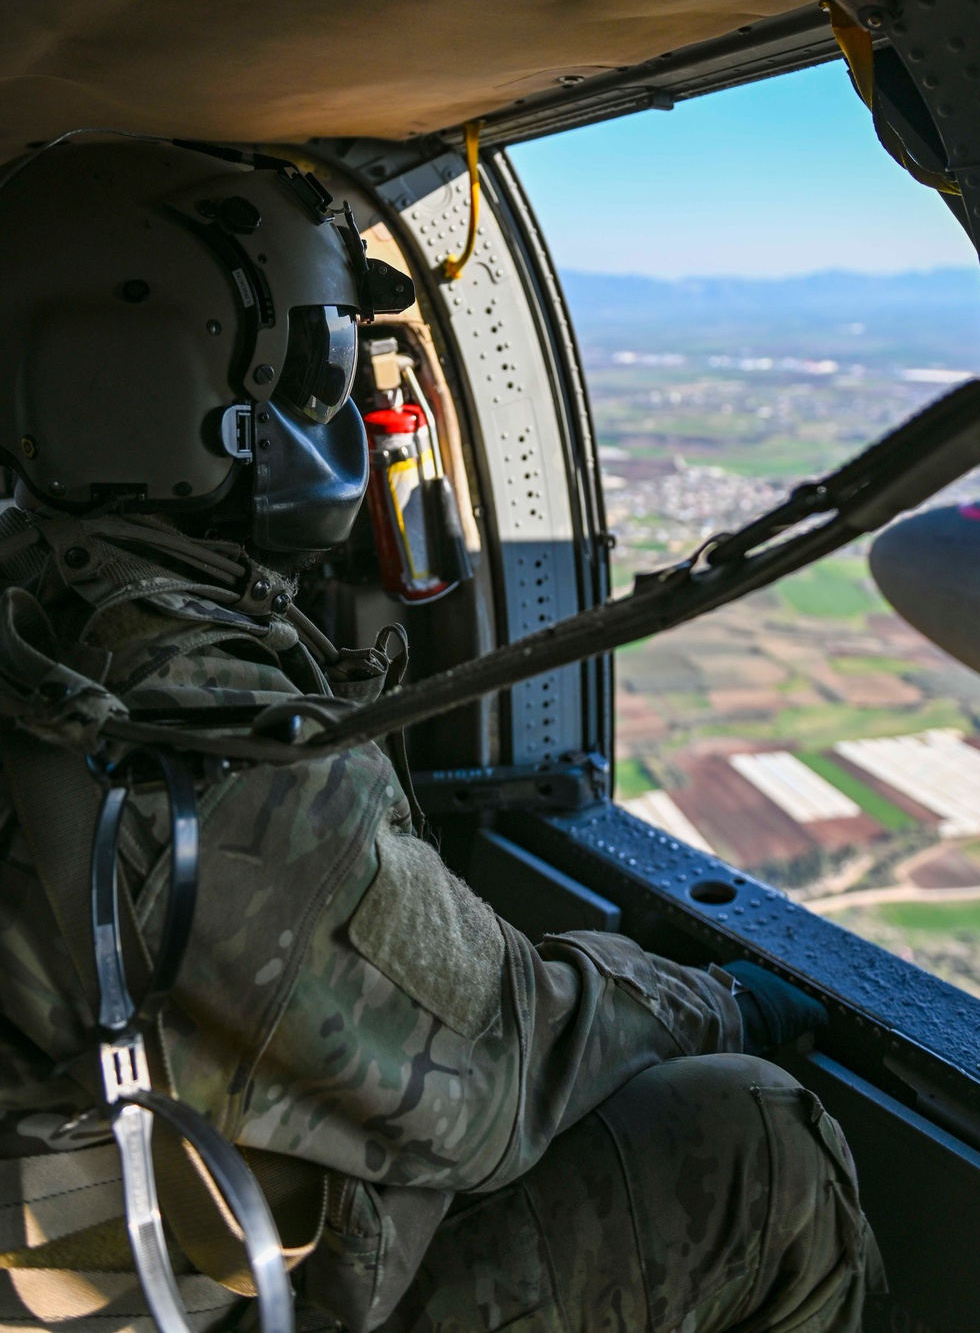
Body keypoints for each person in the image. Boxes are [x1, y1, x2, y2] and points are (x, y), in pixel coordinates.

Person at [0, 138, 883, 1333]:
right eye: (311, 363)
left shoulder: (37, 615)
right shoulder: (185, 718)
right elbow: (487, 1077)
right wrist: (714, 999)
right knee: (752, 1144)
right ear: (146, 370)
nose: (331, 410)